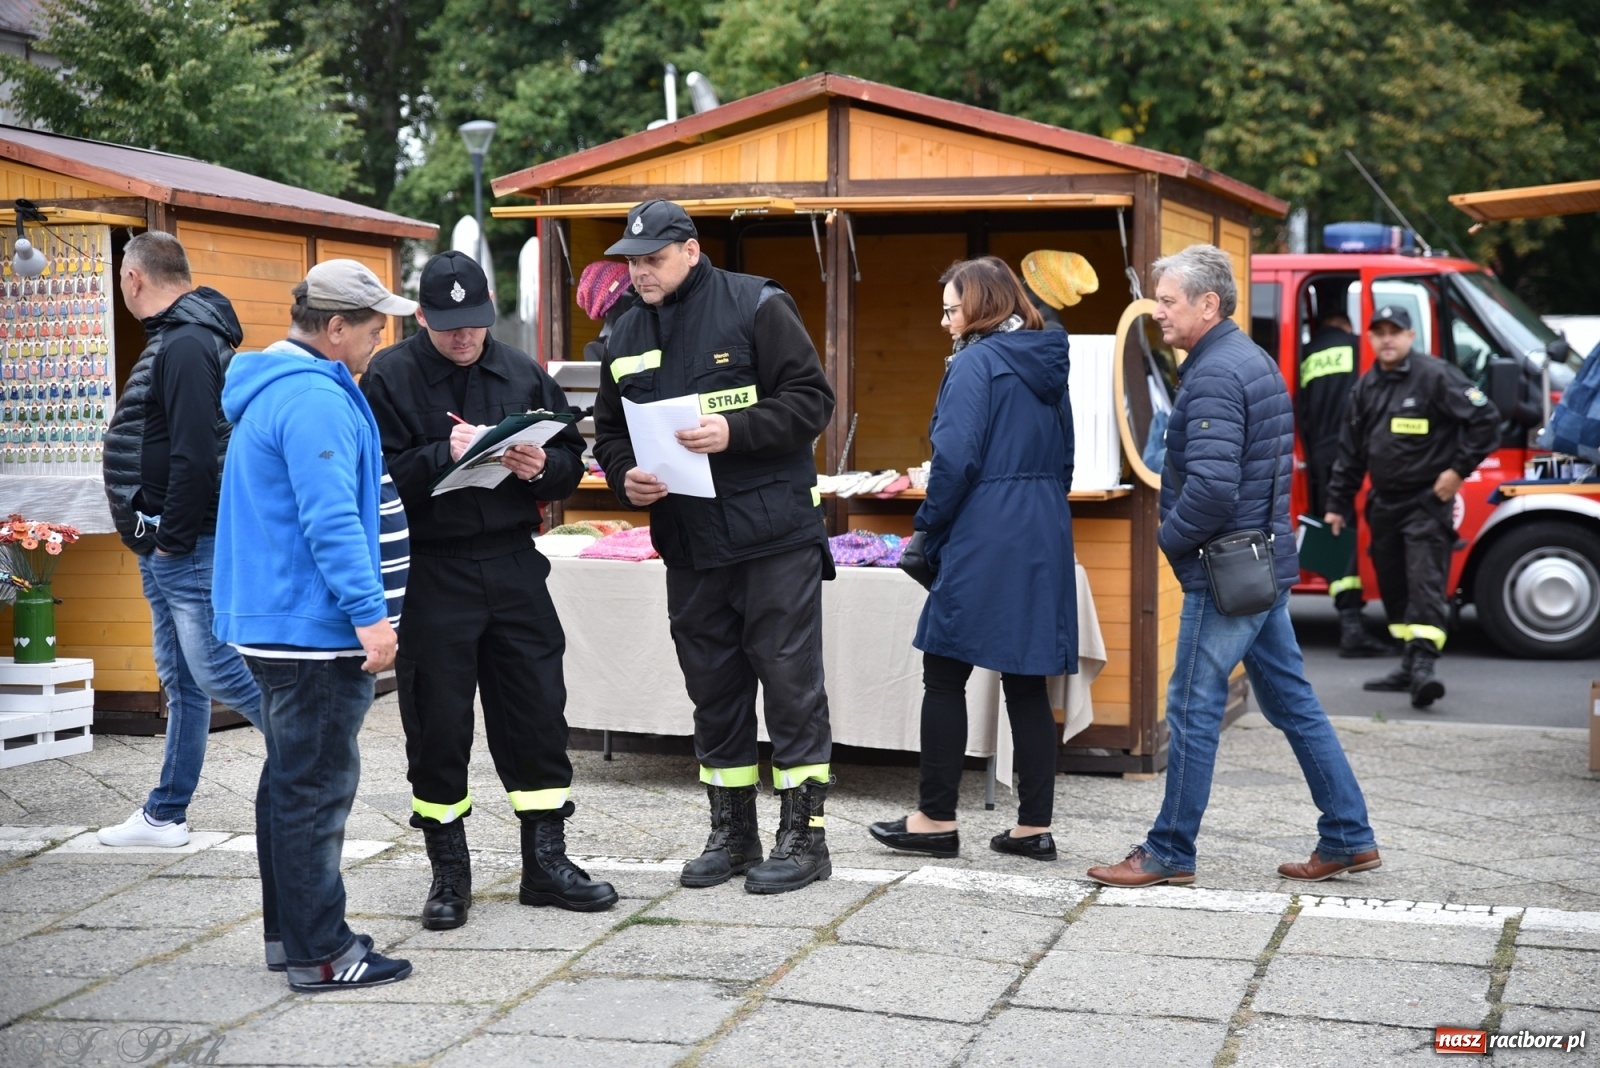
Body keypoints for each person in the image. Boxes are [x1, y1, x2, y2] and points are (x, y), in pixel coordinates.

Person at [1087, 244, 1381, 888]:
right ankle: (1349, 834)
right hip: (1262, 564)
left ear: (1207, 303)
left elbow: (1214, 490)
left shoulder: (1216, 374)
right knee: (1291, 701)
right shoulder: (1248, 360)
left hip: (1227, 573)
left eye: (1167, 301)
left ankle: (1168, 850)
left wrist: (1169, 538)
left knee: (1191, 705)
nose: (1157, 313)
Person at [361, 250, 615, 930]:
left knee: (535, 710)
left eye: (474, 324)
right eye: (449, 327)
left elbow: (571, 461)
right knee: (437, 722)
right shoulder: (390, 376)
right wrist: (438, 455)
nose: (464, 337)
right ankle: (450, 873)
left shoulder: (523, 370)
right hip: (433, 569)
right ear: (421, 316)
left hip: (511, 562)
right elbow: (373, 479)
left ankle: (546, 864)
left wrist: (540, 466)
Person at [591, 199, 837, 895]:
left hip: (772, 538)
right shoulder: (623, 330)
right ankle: (733, 833)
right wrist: (622, 478)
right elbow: (609, 432)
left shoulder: (756, 305)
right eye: (632, 262)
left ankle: (804, 838)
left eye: (653, 259)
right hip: (690, 544)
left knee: (791, 689)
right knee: (715, 693)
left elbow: (812, 402)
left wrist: (737, 431)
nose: (639, 272)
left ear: (691, 251)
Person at [212, 259, 414, 991]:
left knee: (290, 782)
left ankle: (289, 936)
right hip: (313, 631)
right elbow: (328, 519)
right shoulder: (314, 399)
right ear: (334, 329)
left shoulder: (282, 385)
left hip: (282, 623)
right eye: (371, 327)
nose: (377, 340)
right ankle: (323, 952)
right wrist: (371, 616)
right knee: (316, 789)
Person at [867, 256, 1077, 862]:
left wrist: (928, 526)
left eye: (952, 309)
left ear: (983, 306)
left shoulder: (976, 364)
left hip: (985, 527)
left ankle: (935, 819)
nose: (944, 321)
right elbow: (1064, 458)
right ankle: (1033, 828)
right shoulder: (1047, 359)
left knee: (944, 672)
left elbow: (955, 460)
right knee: (1027, 679)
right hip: (1042, 524)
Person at [98, 231, 262, 849]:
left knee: (214, 668)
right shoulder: (179, 336)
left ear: (134, 278)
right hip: (168, 538)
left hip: (185, 540)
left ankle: (308, 753)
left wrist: (171, 539)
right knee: (183, 681)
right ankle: (165, 814)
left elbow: (196, 452)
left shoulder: (188, 342)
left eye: (121, 276)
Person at [1324, 305, 1500, 708]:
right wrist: (1336, 504)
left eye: (1395, 331)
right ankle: (1408, 663)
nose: (1387, 339)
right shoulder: (1366, 386)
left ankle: (1423, 669)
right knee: (1394, 588)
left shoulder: (1435, 376)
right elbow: (1349, 453)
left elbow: (1485, 419)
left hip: (1426, 502)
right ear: (1369, 338)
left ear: (1410, 336)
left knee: (1423, 584)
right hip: (1384, 504)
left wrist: (1457, 472)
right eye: (1379, 331)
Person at [1297, 311, 1390, 658]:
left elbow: (1301, 411)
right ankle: (1353, 625)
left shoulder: (1306, 355)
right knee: (1357, 525)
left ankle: (1349, 617)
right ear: (1348, 325)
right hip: (1354, 449)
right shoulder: (1357, 349)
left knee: (1334, 527)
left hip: (1318, 453)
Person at [1019, 249, 1099, 334]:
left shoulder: (1050, 331)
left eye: (1025, 280)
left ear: (1042, 291)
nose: (1018, 280)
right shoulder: (1023, 311)